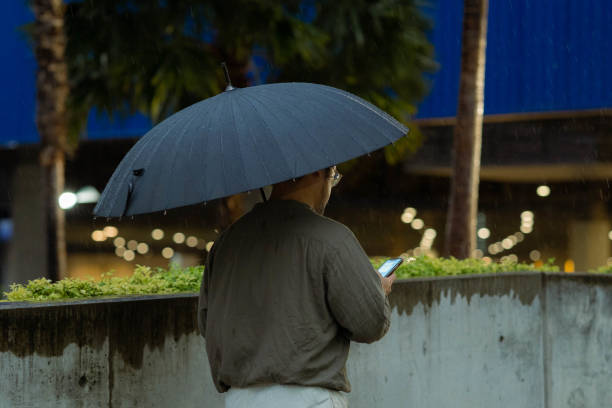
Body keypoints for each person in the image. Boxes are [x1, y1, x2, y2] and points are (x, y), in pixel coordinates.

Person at [198, 166, 396, 408]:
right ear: (316, 172)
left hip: (239, 399)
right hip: (311, 398)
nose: (330, 188)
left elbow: (206, 323)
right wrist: (379, 288)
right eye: (332, 177)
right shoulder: (331, 238)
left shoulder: (226, 243)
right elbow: (370, 323)